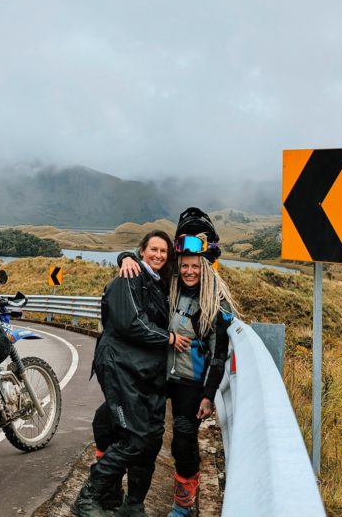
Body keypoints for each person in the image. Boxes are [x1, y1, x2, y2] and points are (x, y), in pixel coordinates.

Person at [117, 208, 238, 517]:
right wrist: (125, 258)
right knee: (139, 434)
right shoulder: (170, 286)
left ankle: (183, 507)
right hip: (159, 375)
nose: (188, 272)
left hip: (190, 384)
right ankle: (124, 496)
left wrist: (209, 395)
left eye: (195, 266)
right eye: (183, 265)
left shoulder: (216, 303)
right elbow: (146, 263)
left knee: (183, 444)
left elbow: (220, 353)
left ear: (206, 267)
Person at [74, 230, 189, 517]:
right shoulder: (131, 277)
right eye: (153, 249)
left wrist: (124, 255)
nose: (159, 255)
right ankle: (87, 498)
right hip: (122, 367)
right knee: (136, 438)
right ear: (141, 251)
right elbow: (131, 324)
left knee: (151, 440)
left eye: (164, 251)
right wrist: (170, 338)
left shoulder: (159, 282)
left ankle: (133, 505)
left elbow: (195, 269)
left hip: (146, 373)